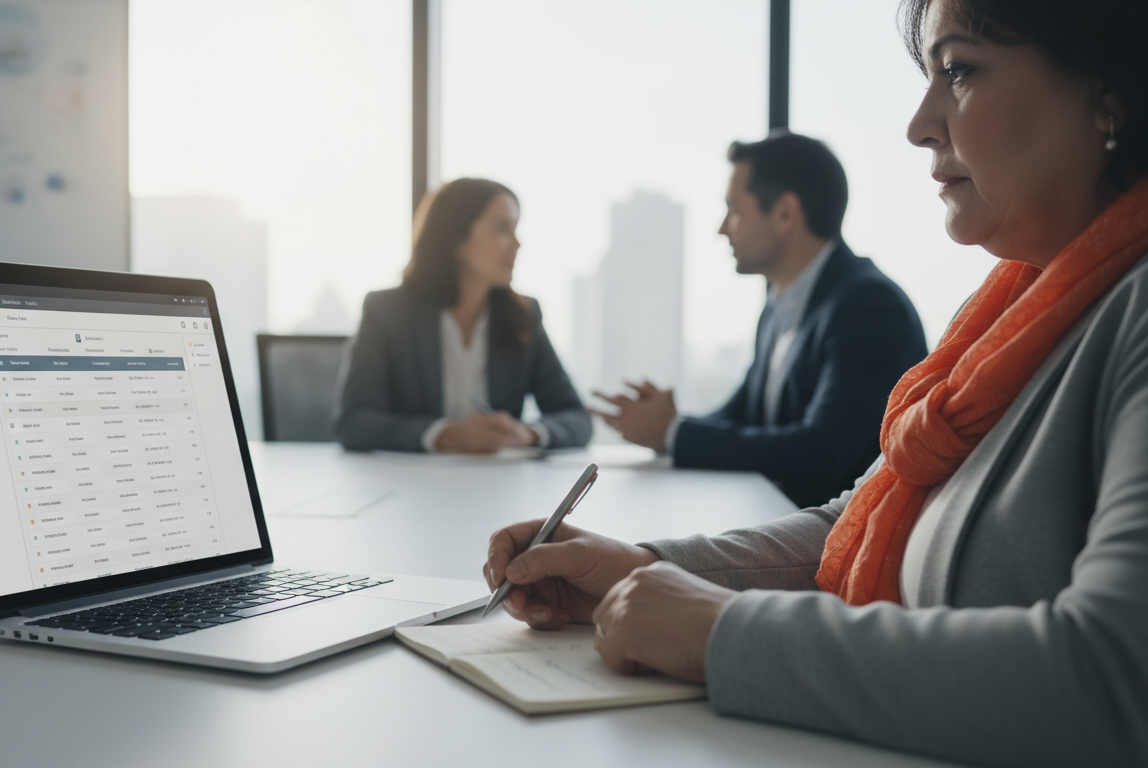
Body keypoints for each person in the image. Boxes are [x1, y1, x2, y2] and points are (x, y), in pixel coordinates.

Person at [485, 0, 1148, 765]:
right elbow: (861, 517)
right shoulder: (1015, 311)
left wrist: (718, 631)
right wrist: (642, 568)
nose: (919, 124)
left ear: (1110, 93)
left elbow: (1113, 682)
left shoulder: (1120, 316)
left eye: (959, 71)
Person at [593, 133, 927, 508]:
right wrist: (665, 423)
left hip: (838, 542)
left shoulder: (869, 306)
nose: (723, 227)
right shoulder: (779, 305)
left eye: (734, 209)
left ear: (785, 213)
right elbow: (745, 414)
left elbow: (821, 452)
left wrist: (674, 433)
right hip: (780, 521)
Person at [335, 178, 591, 453]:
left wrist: (527, 434)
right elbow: (352, 422)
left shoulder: (523, 316)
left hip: (499, 484)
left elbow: (576, 417)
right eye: (502, 229)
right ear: (455, 238)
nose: (517, 244)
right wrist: (445, 435)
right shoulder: (387, 311)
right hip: (413, 485)